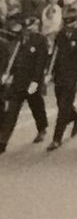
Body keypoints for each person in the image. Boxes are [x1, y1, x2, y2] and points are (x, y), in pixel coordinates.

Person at [0, 14, 49, 154]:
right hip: (19, 81)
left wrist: (35, 81)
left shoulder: (40, 40)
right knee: (12, 112)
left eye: (28, 28)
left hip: (31, 82)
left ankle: (42, 128)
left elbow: (40, 63)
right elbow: (15, 59)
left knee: (36, 107)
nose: (26, 31)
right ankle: (3, 141)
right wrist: (7, 74)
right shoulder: (20, 40)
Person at [47, 6, 77, 151]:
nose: (68, 26)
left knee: (64, 106)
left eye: (70, 22)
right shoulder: (60, 35)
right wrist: (50, 73)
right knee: (61, 103)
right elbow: (55, 55)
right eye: (66, 22)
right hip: (60, 75)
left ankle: (56, 139)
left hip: (73, 76)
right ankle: (76, 117)